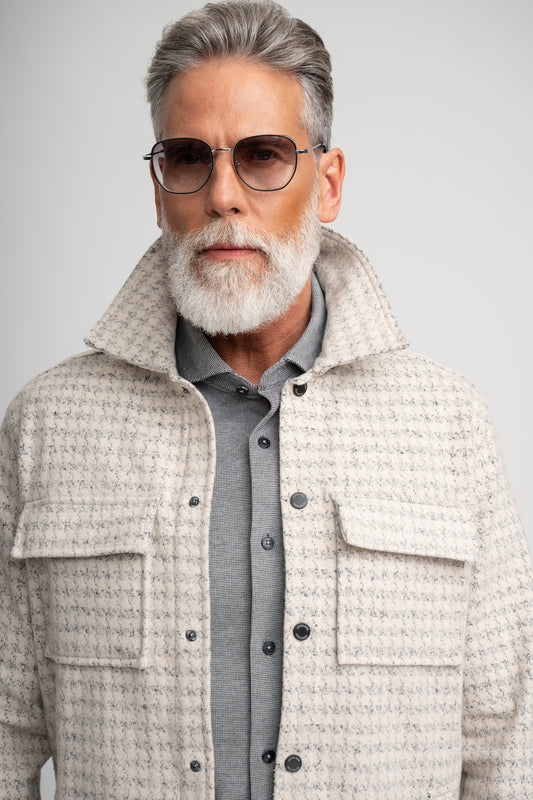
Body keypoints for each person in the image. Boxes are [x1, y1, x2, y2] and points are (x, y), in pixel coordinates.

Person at [1, 0, 531, 798]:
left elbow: (508, 743)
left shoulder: (446, 424)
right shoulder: (50, 425)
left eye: (262, 156)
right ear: (158, 187)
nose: (222, 195)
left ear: (327, 182)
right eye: (188, 157)